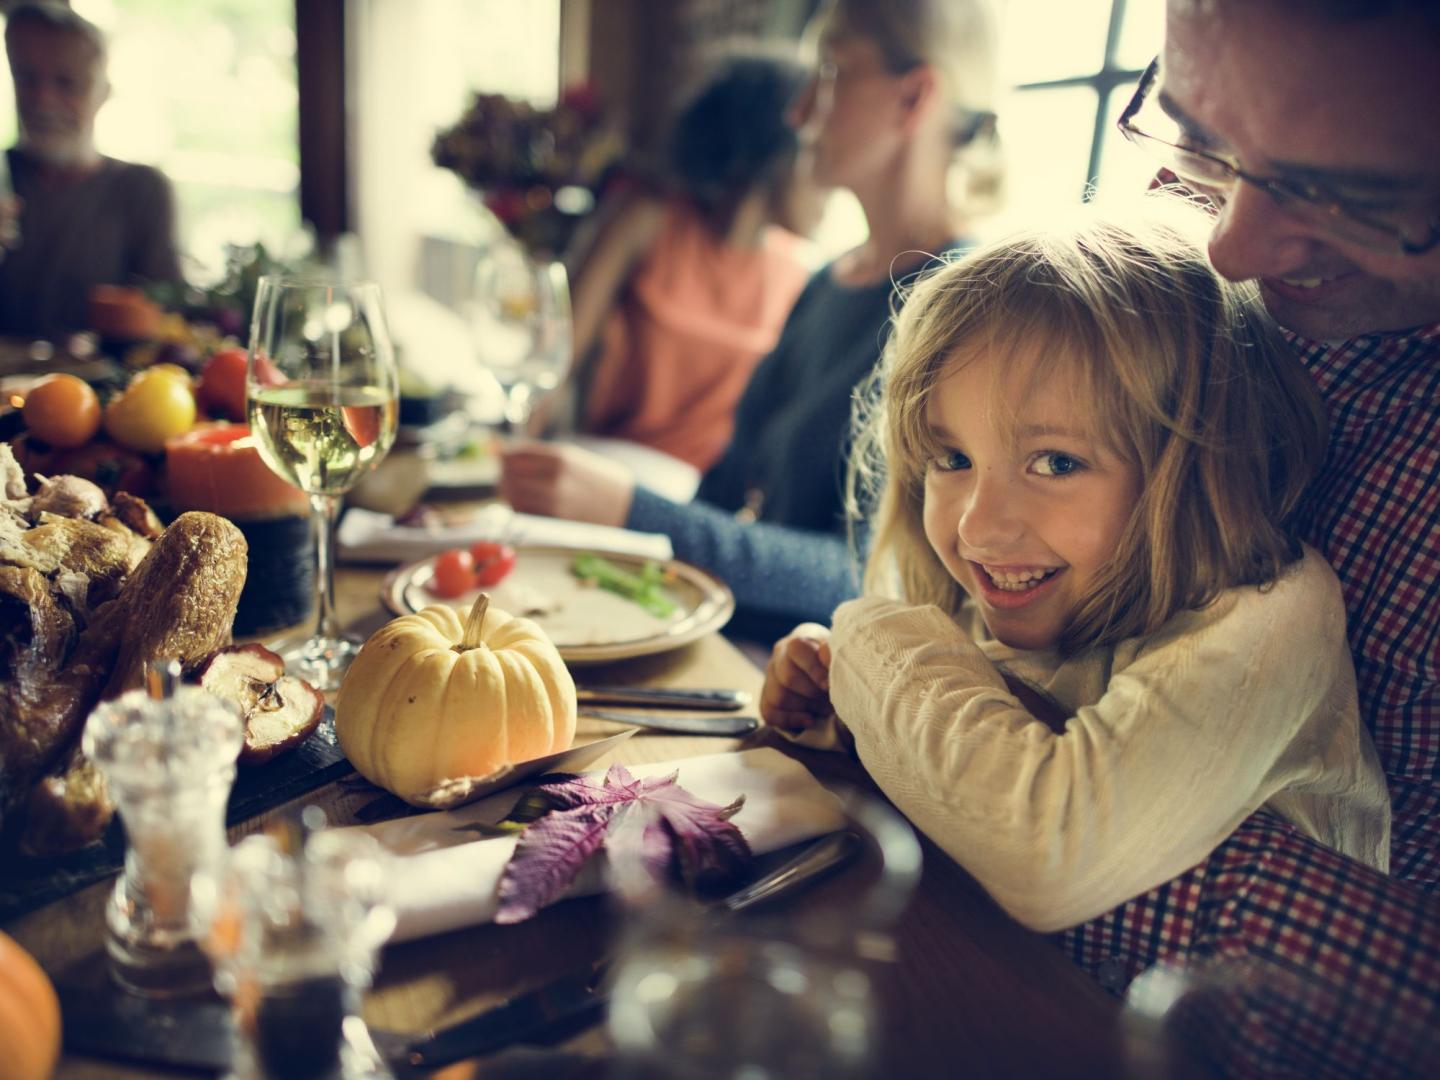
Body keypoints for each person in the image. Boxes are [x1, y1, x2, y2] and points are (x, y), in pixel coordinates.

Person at [760, 204, 1390, 931]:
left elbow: (1047, 852)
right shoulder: (1031, 585)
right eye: (952, 459)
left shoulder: (1271, 615)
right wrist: (832, 705)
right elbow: (955, 758)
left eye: (1056, 462)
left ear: (1196, 469)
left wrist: (867, 641)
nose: (978, 524)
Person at [501, 0, 1002, 644]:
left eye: (830, 73)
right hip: (720, 646)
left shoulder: (963, 305)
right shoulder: (827, 284)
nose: (797, 114)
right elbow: (721, 492)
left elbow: (870, 576)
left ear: (913, 98)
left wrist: (628, 507)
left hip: (817, 687)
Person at [561, 51, 820, 472]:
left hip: (707, 506)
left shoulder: (802, 277)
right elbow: (555, 360)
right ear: (773, 150)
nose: (826, 180)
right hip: (610, 468)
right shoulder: (645, 219)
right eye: (813, 149)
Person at [0, 2, 182, 339]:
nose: (43, 99)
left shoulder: (142, 189)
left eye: (66, 82)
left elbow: (167, 322)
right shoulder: (2, 179)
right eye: (27, 79)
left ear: (103, 92)